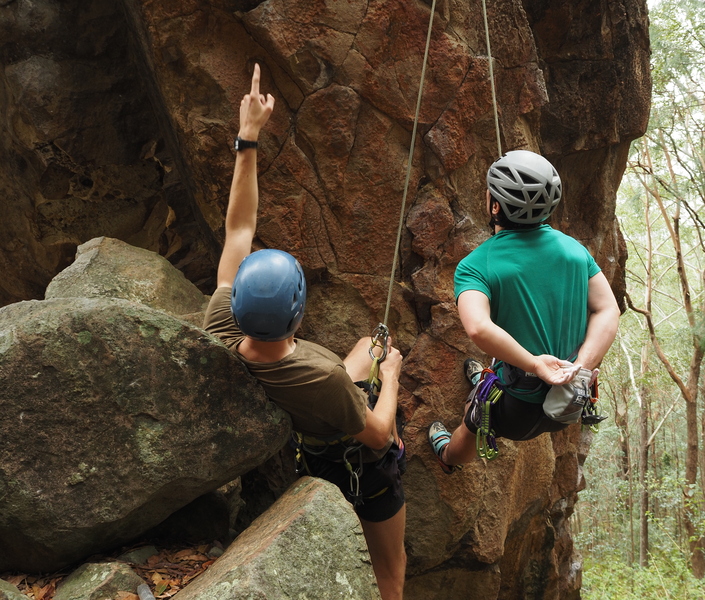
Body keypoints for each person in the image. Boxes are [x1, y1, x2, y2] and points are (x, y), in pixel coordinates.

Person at [203, 64, 406, 600]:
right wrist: (391, 378)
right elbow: (379, 433)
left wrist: (248, 138)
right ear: (298, 316)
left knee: (364, 346)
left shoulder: (222, 321)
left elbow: (239, 226)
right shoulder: (320, 378)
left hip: (308, 427)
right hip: (351, 456)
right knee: (391, 569)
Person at [427, 149, 620, 473]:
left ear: (495, 205)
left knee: (473, 421)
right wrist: (577, 369)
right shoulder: (575, 251)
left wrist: (533, 364)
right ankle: (490, 375)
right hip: (568, 402)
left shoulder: (475, 266)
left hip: (515, 408)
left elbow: (478, 328)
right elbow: (608, 310)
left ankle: (448, 457)